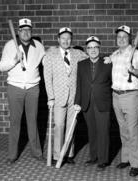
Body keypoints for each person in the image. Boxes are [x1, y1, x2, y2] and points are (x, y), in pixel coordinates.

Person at [0, 18, 45, 164]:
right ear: (18, 32)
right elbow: (1, 67)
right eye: (22, 30)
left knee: (33, 121)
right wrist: (14, 60)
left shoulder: (38, 46)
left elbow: (45, 62)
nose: (25, 33)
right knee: (15, 122)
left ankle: (37, 153)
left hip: (33, 88)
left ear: (31, 32)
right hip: (15, 88)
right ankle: (12, 155)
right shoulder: (9, 46)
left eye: (28, 30)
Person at [42, 27, 88, 165]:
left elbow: (92, 58)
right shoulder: (50, 55)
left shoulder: (78, 54)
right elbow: (47, 77)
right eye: (63, 38)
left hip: (74, 96)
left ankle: (68, 154)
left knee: (71, 126)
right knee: (59, 125)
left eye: (68, 38)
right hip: (58, 97)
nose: (66, 40)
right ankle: (57, 155)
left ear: (71, 40)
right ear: (58, 39)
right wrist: (50, 97)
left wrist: (108, 59)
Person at [109, 25, 138, 177]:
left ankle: (136, 163)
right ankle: (126, 158)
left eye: (124, 37)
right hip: (116, 95)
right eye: (119, 37)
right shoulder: (115, 54)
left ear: (130, 38)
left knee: (132, 130)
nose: (121, 39)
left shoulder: (137, 55)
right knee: (123, 129)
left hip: (131, 96)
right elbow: (107, 64)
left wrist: (134, 70)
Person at [74, 36, 112, 171]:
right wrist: (77, 102)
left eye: (96, 47)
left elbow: (114, 82)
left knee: (103, 131)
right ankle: (93, 156)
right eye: (90, 47)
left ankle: (103, 160)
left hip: (103, 102)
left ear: (99, 48)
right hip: (87, 103)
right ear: (86, 50)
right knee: (92, 131)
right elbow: (79, 85)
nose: (93, 50)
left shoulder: (108, 63)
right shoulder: (81, 64)